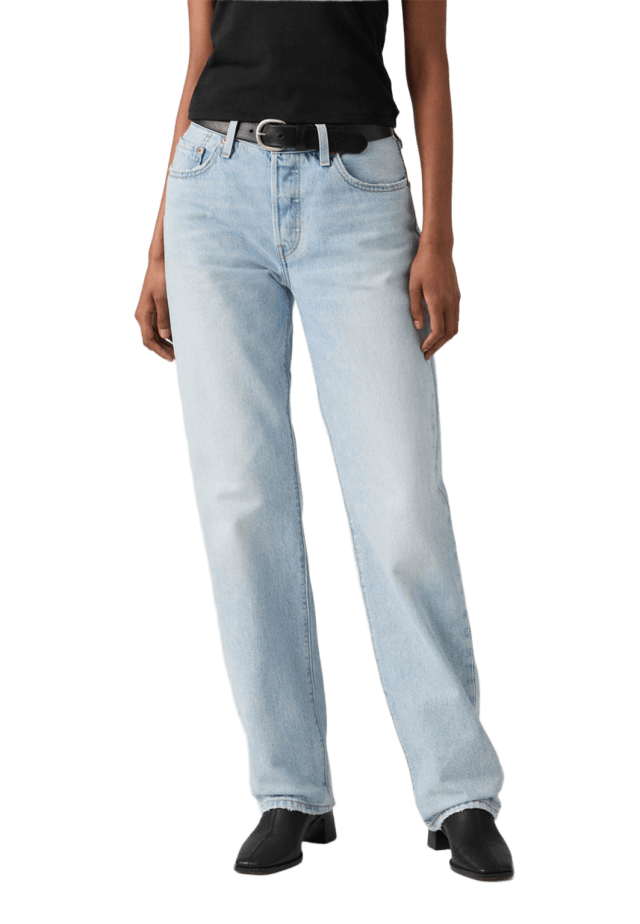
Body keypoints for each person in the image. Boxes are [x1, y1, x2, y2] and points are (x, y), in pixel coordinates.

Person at [133, 0, 515, 884]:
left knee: (401, 501)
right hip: (213, 194)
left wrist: (440, 237)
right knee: (240, 503)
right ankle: (288, 789)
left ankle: (460, 793)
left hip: (359, 193)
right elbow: (201, 58)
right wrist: (158, 244)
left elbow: (428, 63)